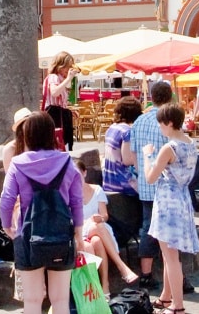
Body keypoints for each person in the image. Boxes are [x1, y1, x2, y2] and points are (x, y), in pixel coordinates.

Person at [1, 112, 82, 314]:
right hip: (62, 234)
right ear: (51, 135)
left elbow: (7, 199)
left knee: (32, 300)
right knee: (61, 299)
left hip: (27, 235)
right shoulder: (66, 162)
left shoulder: (18, 164)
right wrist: (78, 232)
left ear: (27, 135)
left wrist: (8, 228)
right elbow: (76, 202)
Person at [141, 103, 199, 314]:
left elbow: (150, 177)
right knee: (171, 254)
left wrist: (148, 155)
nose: (160, 128)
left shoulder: (169, 148)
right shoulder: (190, 143)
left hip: (167, 202)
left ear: (169, 123)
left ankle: (178, 305)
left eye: (161, 124)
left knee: (170, 257)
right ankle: (167, 297)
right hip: (183, 199)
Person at [127, 81, 174, 290]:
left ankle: (145, 274)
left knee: (148, 228)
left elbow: (133, 154)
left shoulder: (139, 121)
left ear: (151, 97)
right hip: (167, 184)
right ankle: (175, 274)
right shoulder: (170, 119)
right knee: (171, 230)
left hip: (146, 183)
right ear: (170, 97)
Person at [74, 156, 139, 294]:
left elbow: (105, 216)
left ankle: (104, 285)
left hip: (98, 229)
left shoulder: (96, 189)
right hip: (81, 229)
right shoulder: (69, 194)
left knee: (97, 239)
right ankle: (122, 267)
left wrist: (99, 218)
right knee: (97, 228)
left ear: (84, 173)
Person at [101, 96, 142, 248]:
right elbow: (127, 160)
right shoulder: (127, 131)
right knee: (150, 189)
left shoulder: (112, 128)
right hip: (122, 182)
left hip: (109, 180)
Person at [43, 53, 77, 150]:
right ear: (60, 66)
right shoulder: (54, 77)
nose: (69, 69)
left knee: (58, 143)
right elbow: (54, 92)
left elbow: (58, 101)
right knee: (57, 143)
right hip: (54, 117)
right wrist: (68, 79)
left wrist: (67, 111)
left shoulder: (60, 79)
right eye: (68, 66)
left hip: (57, 115)